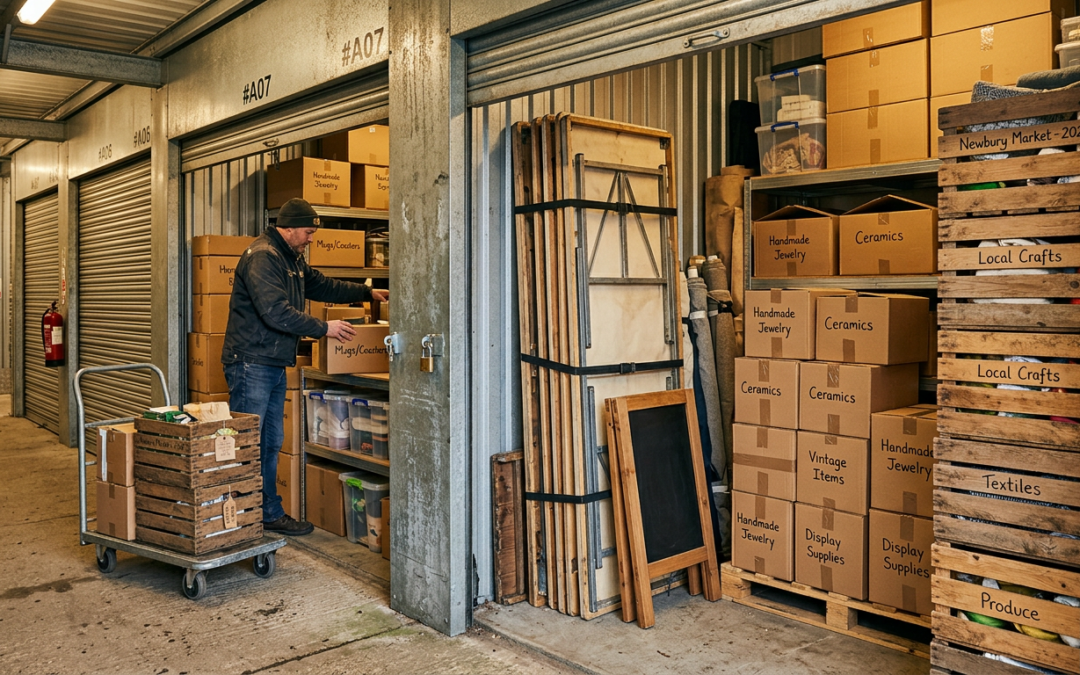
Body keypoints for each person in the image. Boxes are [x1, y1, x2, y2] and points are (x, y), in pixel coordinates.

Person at [221, 197, 388, 536]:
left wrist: (369, 292)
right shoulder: (264, 258)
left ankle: (265, 513)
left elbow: (323, 285)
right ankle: (236, 518)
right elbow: (275, 312)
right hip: (251, 364)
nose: (312, 239)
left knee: (269, 443)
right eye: (309, 232)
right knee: (247, 444)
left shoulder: (290, 258)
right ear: (290, 227)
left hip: (271, 363)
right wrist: (324, 328)